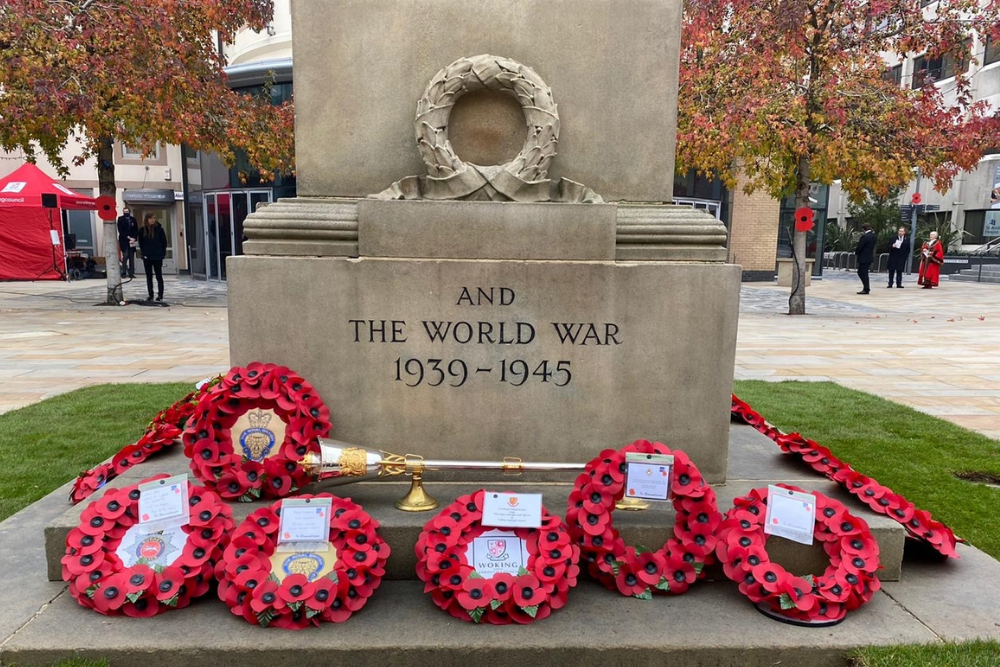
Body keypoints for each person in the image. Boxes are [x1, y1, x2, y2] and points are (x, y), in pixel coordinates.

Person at [138, 213, 167, 301]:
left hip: (157, 256)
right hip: (147, 256)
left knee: (159, 276)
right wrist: (144, 253)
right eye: (151, 218)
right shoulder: (142, 230)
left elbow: (164, 242)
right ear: (147, 219)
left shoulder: (159, 229)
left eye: (154, 218)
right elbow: (141, 243)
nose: (152, 220)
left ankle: (160, 295)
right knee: (149, 276)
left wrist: (162, 253)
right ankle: (150, 294)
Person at [116, 207, 139, 279]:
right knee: (125, 255)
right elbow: (120, 230)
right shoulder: (120, 219)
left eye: (127, 211)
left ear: (129, 212)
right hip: (124, 240)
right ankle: (124, 272)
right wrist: (128, 237)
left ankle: (131, 273)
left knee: (131, 257)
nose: (126, 213)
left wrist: (134, 238)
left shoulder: (133, 219)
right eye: (124, 211)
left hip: (132, 241)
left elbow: (136, 229)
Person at [854, 223, 876, 294]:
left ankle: (866, 288)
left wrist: (856, 252)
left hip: (863, 257)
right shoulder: (873, 236)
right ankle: (866, 288)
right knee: (864, 272)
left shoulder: (864, 237)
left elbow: (860, 247)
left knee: (862, 273)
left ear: (863, 229)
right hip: (869, 256)